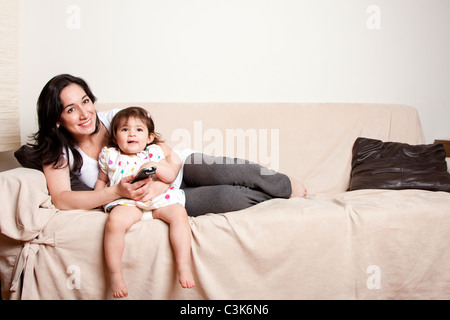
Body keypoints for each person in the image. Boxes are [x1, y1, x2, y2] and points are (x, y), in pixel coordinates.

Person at [25, 74, 306, 216]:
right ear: (57, 119)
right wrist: (116, 193)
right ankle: (276, 200)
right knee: (231, 197)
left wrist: (161, 182)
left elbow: (168, 155)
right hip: (157, 201)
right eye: (71, 109)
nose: (85, 114)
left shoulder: (115, 119)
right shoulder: (57, 151)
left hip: (177, 170)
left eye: (86, 101)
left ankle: (287, 186)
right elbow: (62, 199)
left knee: (235, 172)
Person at [95, 107, 195, 298]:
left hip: (157, 199)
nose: (131, 133)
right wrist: (98, 201)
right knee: (115, 222)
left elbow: (170, 175)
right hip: (127, 202)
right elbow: (101, 181)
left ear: (149, 137)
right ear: (115, 137)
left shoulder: (154, 152)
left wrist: (155, 166)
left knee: (179, 215)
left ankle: (183, 265)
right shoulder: (109, 155)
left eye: (138, 130)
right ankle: (115, 274)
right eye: (124, 129)